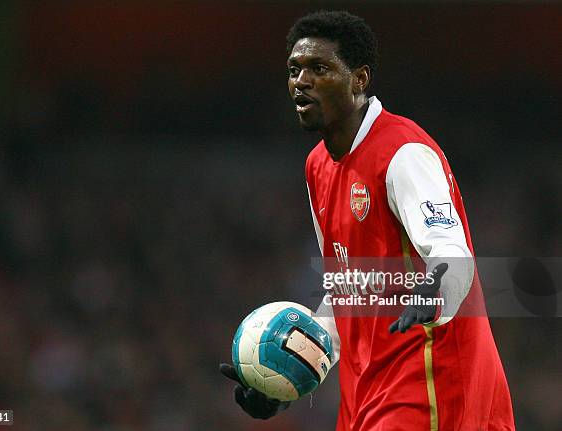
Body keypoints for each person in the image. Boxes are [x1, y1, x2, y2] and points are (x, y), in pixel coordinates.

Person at [221, 11, 515, 430]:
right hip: (366, 395)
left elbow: (453, 253)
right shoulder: (318, 166)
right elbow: (348, 293)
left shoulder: (403, 151)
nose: (300, 81)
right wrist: (288, 376)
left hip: (431, 385)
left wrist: (436, 290)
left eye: (319, 68)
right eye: (294, 69)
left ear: (359, 79)